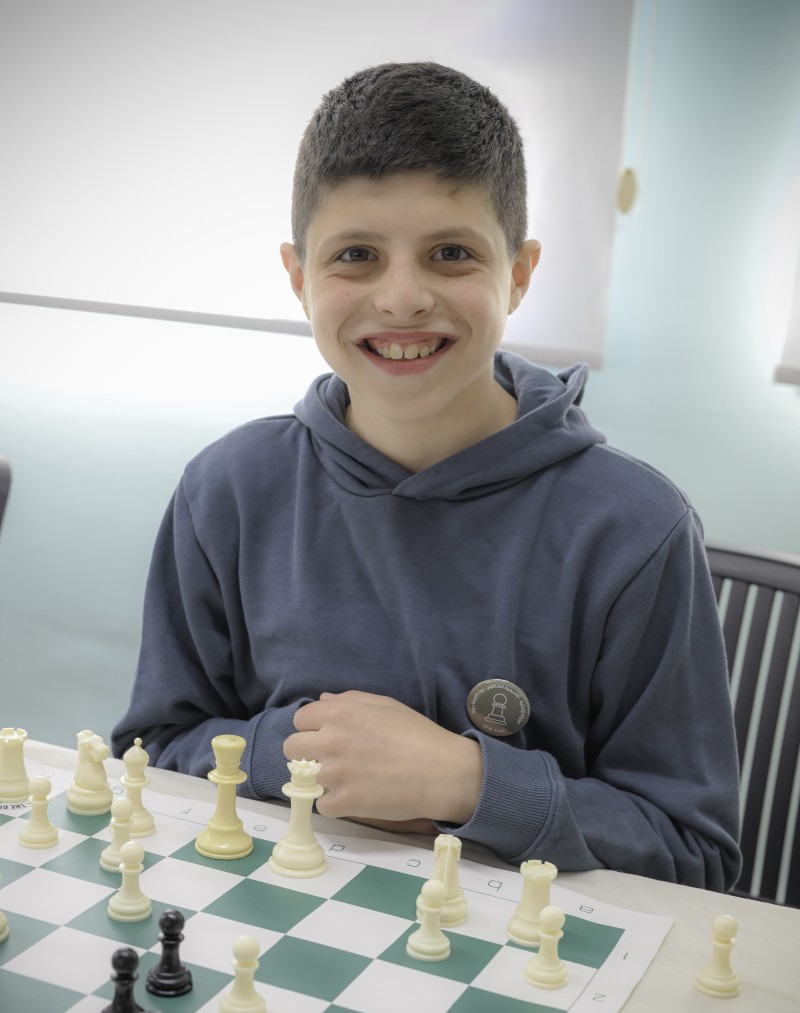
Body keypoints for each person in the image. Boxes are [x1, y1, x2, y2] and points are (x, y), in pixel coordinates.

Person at [112, 62, 742, 891]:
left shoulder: (635, 527)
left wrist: (469, 782)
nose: (402, 298)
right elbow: (152, 752)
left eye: (451, 254)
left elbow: (693, 852)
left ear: (519, 273)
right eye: (356, 255)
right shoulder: (226, 490)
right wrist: (291, 750)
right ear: (298, 277)